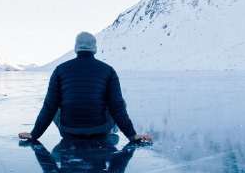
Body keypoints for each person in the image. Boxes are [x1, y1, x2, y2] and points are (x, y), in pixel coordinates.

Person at [18, 32, 152, 143]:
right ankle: (111, 130)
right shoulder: (108, 71)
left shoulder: (60, 70)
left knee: (55, 103)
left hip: (68, 131)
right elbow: (116, 106)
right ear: (95, 48)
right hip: (99, 131)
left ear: (76, 47)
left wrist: (34, 134)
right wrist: (132, 135)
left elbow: (49, 106)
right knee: (120, 102)